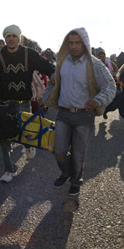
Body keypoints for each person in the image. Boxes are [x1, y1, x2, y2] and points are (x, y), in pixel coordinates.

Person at [43, 27, 116, 195]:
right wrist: (48, 92)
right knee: (58, 151)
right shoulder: (62, 62)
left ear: (85, 44)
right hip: (63, 113)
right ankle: (67, 172)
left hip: (84, 115)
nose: (74, 46)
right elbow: (54, 82)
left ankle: (76, 181)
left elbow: (110, 85)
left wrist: (98, 100)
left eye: (78, 43)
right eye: (71, 43)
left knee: (78, 153)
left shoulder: (94, 64)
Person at [0, 24, 55, 183]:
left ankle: (28, 146)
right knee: (4, 137)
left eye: (14, 36)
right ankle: (9, 169)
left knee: (25, 133)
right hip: (4, 103)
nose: (11, 39)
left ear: (19, 38)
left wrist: (52, 74)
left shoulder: (29, 54)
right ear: (5, 38)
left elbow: (46, 66)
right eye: (8, 36)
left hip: (24, 102)